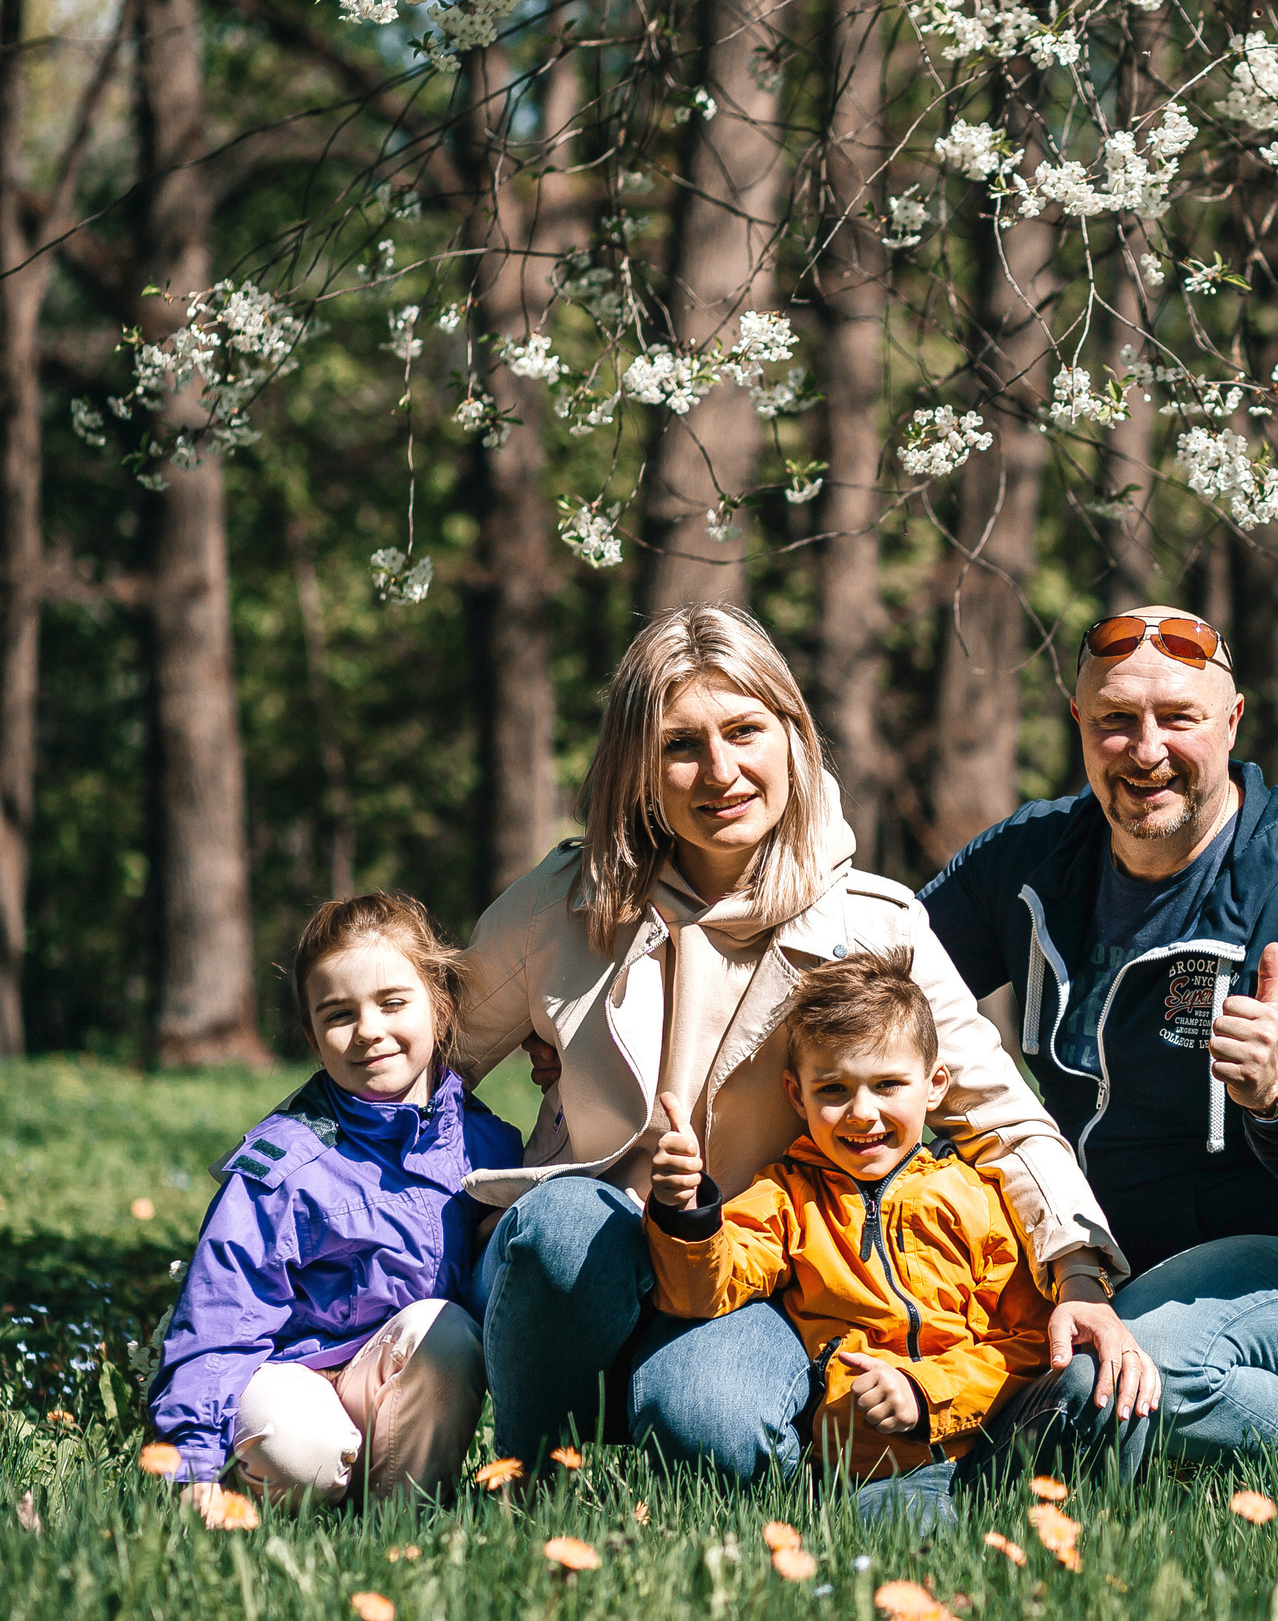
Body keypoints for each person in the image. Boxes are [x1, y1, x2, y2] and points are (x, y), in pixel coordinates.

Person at [453, 604, 1153, 1481]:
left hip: (755, 1275)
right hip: (578, 1263)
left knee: (709, 1420)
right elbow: (422, 1065)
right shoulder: (564, 900)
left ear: (793, 735)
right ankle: (528, 1480)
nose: (722, 772)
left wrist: (1079, 1271)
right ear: (637, 764)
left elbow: (999, 1114)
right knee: (561, 1228)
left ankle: (706, 1459)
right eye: (680, 745)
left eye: (746, 731)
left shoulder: (873, 922)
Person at [920, 606, 1278, 1492]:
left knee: (1119, 1374)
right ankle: (1165, 1461)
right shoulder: (1033, 862)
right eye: (1115, 720)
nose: (1145, 750)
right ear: (1079, 725)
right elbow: (879, 981)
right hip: (1106, 1258)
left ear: (1231, 722)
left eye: (1178, 718)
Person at [641, 948, 1058, 1525]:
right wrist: (685, 1210)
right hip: (876, 1463)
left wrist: (926, 1390)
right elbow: (700, 1292)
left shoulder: (977, 1196)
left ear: (935, 1085)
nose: (863, 1114)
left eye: (888, 1085)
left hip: (989, 1428)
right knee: (899, 1539)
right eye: (833, 1090)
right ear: (797, 1096)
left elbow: (1033, 1339)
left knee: (1090, 1390)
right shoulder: (788, 1195)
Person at [148, 893, 524, 1519]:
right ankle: (284, 1500)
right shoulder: (287, 1162)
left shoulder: (490, 1149)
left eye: (393, 1002)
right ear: (313, 1037)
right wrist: (189, 1466)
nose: (369, 1030)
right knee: (302, 1446)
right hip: (289, 1382)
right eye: (338, 1014)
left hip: (395, 1390)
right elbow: (219, 1315)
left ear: (441, 1003)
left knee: (449, 1332)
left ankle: (400, 1517)